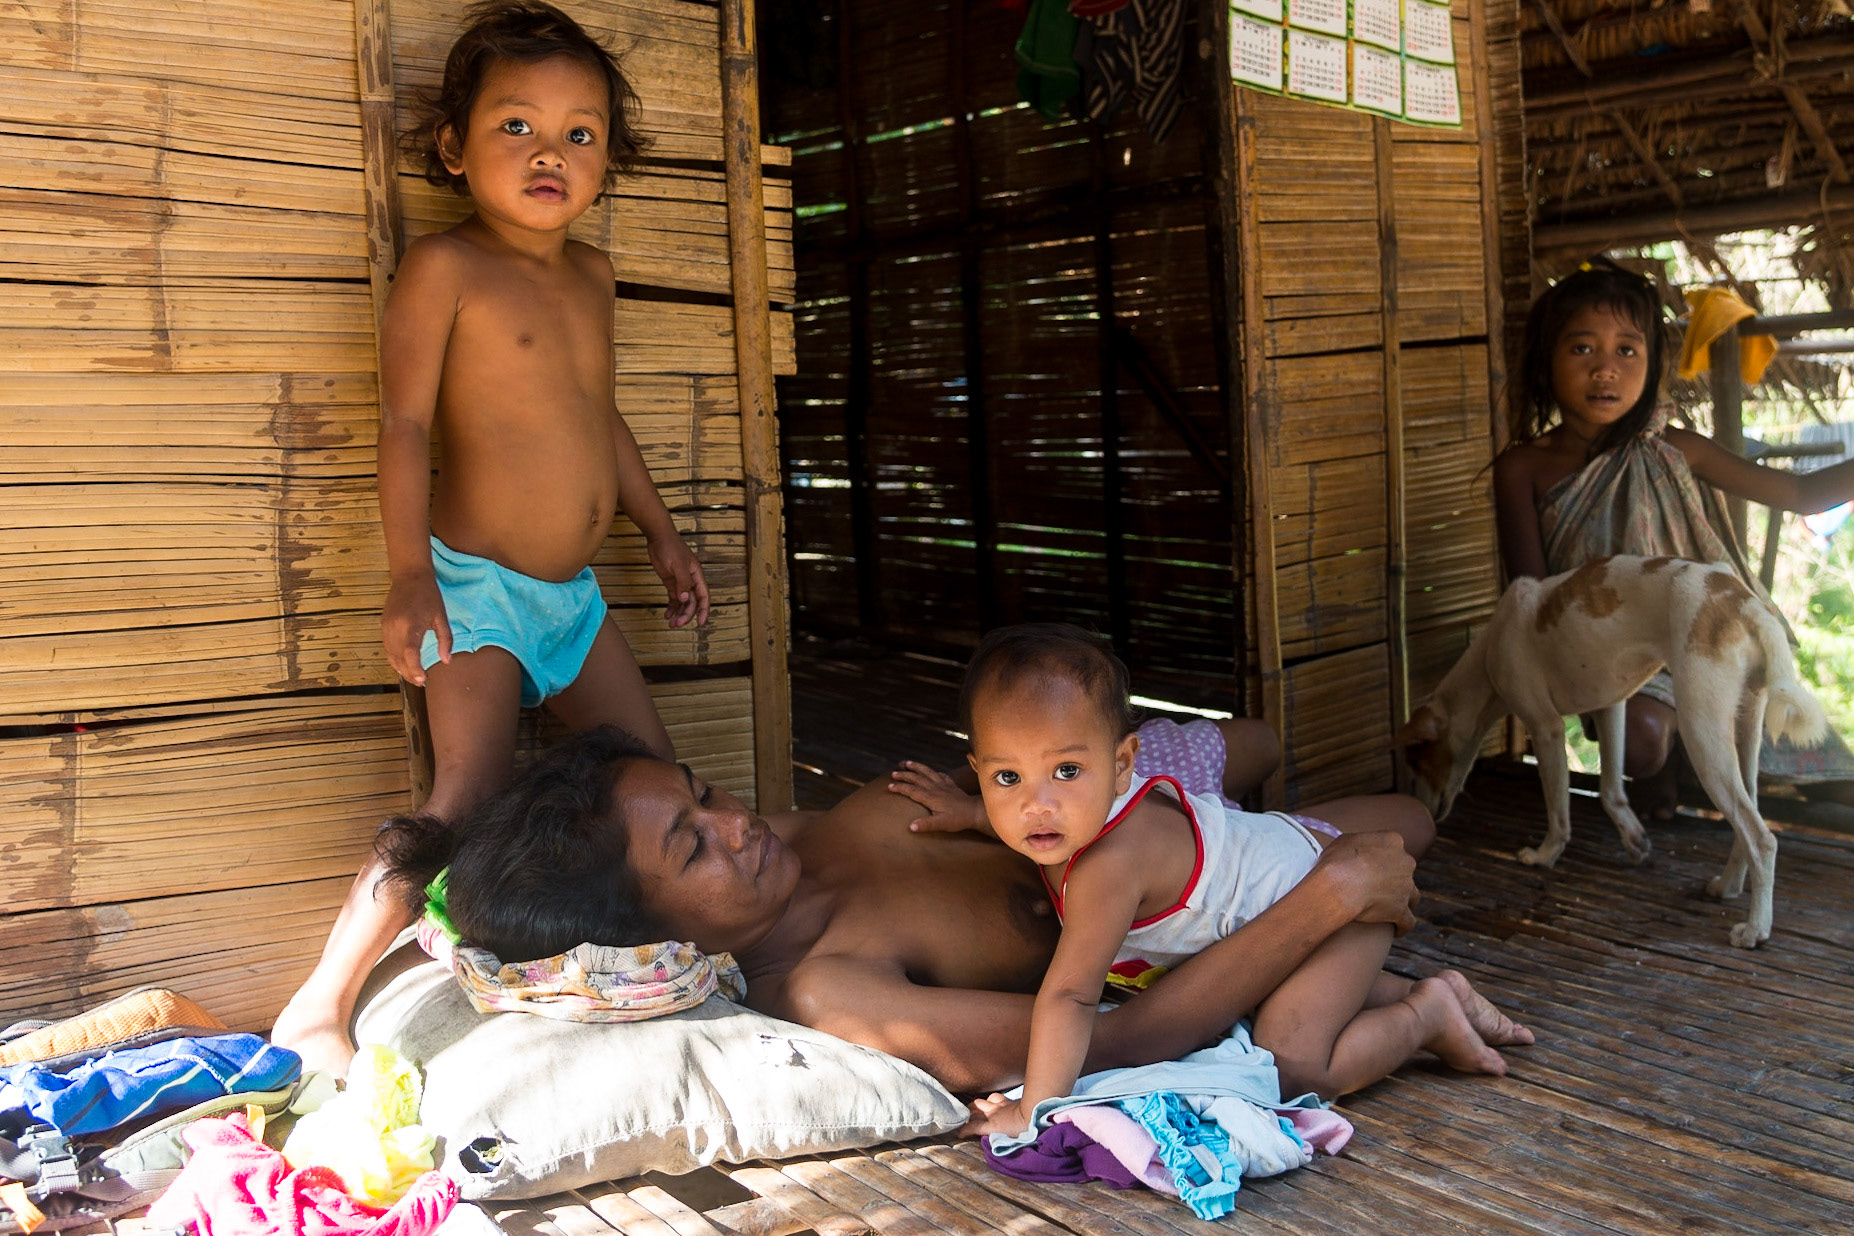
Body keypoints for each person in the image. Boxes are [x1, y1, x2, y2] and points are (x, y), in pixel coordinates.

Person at [271, 1, 710, 1076]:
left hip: (575, 599)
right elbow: (406, 424)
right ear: (453, 149)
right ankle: (319, 1004)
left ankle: (618, 966)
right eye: (516, 126)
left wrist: (657, 531)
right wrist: (410, 573)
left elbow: (597, 416)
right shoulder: (446, 269)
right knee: (460, 800)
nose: (550, 153)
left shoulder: (593, 277)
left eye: (580, 132)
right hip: (475, 590)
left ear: (609, 158)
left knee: (654, 776)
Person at [373, 722, 1451, 1098]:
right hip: (1192, 926)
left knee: (1268, 750)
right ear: (659, 941)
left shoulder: (794, 838)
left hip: (1151, 838)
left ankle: (1269, 825)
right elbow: (1116, 1041)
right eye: (693, 845)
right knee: (1402, 832)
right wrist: (1324, 901)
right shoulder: (839, 990)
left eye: (707, 795)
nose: (739, 824)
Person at [901, 625, 1526, 1137]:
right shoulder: (1061, 820)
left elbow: (1070, 998)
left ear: (1123, 766)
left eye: (1067, 770)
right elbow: (1031, 815)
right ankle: (1446, 992)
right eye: (1007, 779)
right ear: (979, 772)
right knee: (1301, 1004)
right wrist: (974, 815)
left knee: (1295, 1066)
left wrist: (1029, 1108)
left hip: (1336, 906)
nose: (1037, 806)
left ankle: (1428, 1016)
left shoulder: (1110, 864)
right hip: (1280, 908)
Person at [1491, 261, 1854, 815]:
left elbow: (1801, 496)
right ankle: (1667, 761)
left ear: (1652, 363)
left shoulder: (1678, 448)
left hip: (1705, 635)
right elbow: (1532, 599)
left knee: (1830, 783)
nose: (1605, 370)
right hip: (1610, 652)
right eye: (1583, 349)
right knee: (1641, 740)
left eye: (1627, 351)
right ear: (1546, 362)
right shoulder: (1522, 469)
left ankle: (1685, 757)